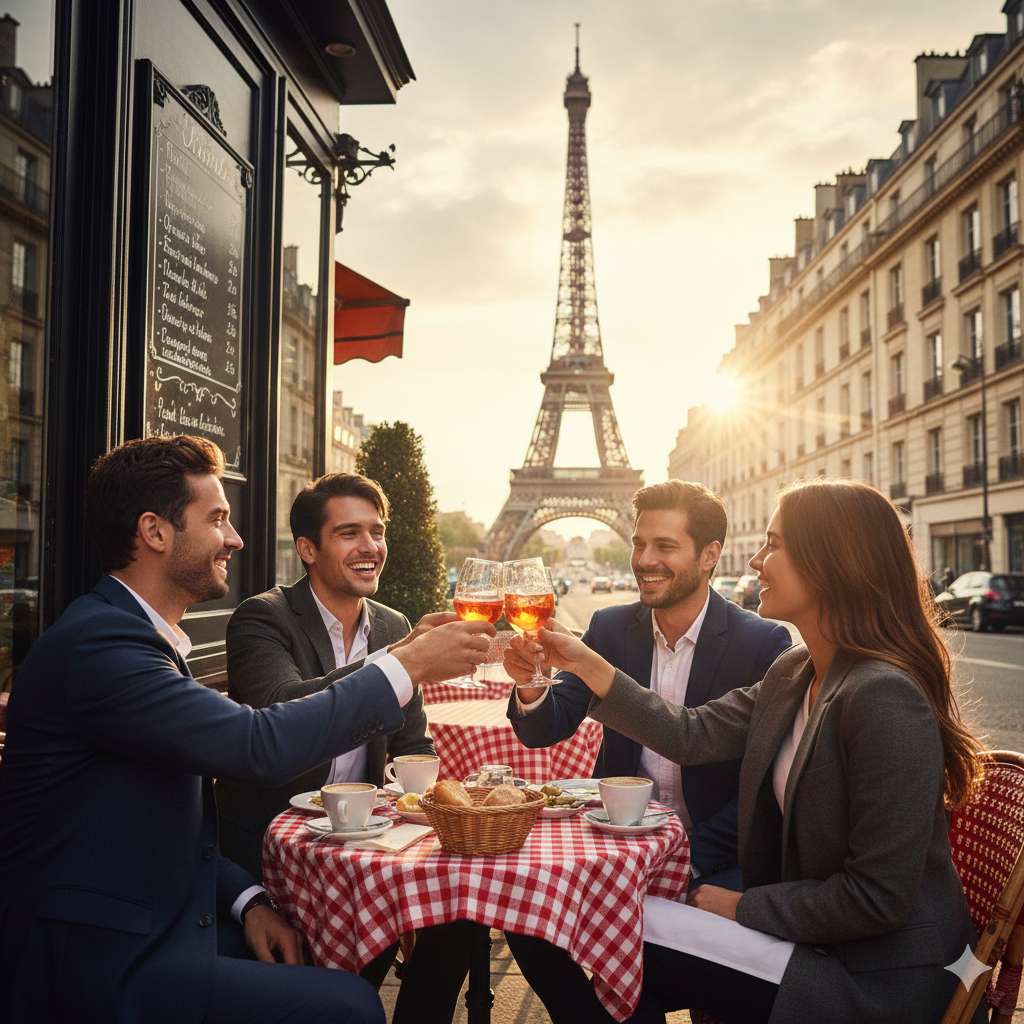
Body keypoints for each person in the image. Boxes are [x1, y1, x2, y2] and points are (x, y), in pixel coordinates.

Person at [0, 435, 494, 1024]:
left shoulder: (137, 640)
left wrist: (248, 900)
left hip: (163, 921)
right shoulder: (102, 646)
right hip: (98, 961)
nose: (235, 539)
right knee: (350, 1005)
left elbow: (169, 825)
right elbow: (257, 744)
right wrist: (406, 665)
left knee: (347, 959)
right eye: (217, 519)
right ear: (155, 532)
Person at [506, 478, 986, 1024]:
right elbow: (687, 734)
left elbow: (876, 899)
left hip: (877, 978)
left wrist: (739, 906)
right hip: (817, 938)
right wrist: (582, 660)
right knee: (588, 933)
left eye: (775, 544)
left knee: (616, 941)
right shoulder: (797, 670)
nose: (757, 560)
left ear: (832, 562)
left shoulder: (883, 695)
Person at [214, 472, 473, 1018]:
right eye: (349, 533)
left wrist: (423, 794)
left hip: (366, 848)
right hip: (278, 855)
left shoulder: (392, 625)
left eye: (377, 532)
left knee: (461, 913)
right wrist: (400, 662)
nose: (370, 548)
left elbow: (412, 743)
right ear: (307, 549)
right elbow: (282, 709)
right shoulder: (263, 617)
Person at [507, 481, 792, 889]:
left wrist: (684, 859)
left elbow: (763, 791)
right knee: (530, 920)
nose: (644, 560)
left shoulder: (762, 644)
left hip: (713, 858)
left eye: (665, 546)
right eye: (638, 544)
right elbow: (546, 729)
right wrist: (531, 685)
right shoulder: (609, 628)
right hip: (617, 843)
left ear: (710, 554)